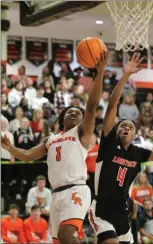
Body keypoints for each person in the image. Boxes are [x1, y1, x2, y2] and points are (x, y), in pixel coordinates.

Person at [1, 51, 108, 244]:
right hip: (57, 193)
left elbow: (91, 106)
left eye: (78, 113)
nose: (74, 114)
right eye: (70, 112)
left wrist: (99, 74)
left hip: (76, 189)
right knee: (59, 240)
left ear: (84, 121)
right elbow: (26, 155)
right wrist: (11, 149)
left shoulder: (81, 134)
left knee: (67, 236)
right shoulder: (51, 139)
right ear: (62, 118)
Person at [88, 53, 153, 244]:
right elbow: (112, 106)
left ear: (134, 135)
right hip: (101, 210)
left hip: (123, 212)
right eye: (122, 125)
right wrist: (125, 76)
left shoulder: (138, 153)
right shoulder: (108, 145)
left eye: (130, 127)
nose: (125, 127)